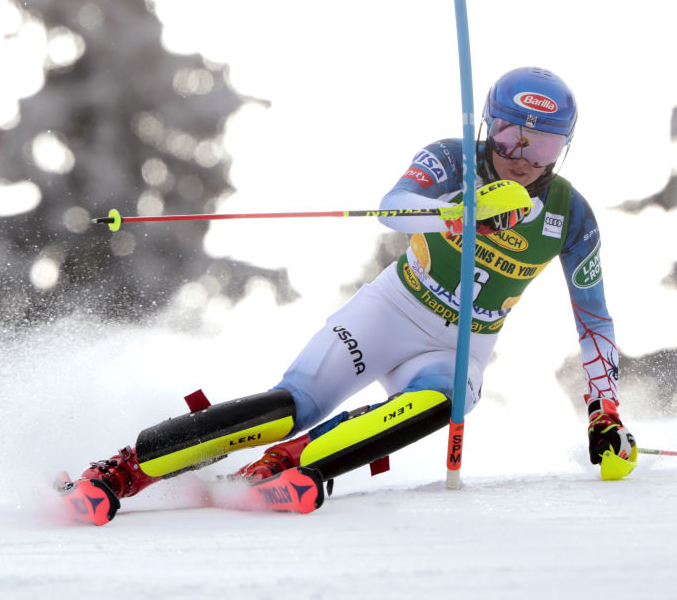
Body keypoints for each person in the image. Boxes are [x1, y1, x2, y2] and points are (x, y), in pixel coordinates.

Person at [67, 67, 636, 519]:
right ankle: (120, 470)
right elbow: (394, 205)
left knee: (449, 399)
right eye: (511, 136)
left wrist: (603, 410)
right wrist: (452, 215)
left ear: (564, 148)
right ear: (489, 125)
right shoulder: (455, 157)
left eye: (543, 147)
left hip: (461, 340)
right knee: (291, 407)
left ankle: (293, 469)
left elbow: (594, 320)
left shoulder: (572, 215)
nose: (521, 159)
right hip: (391, 310)